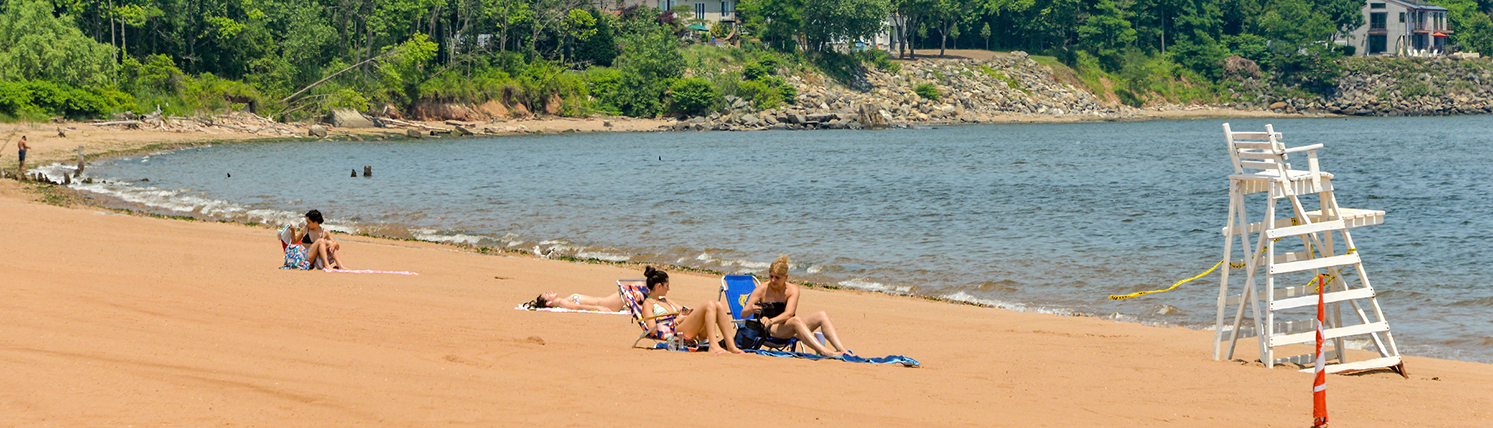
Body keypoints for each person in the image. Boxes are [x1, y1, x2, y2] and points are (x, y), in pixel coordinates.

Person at [741, 255, 852, 356]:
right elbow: (743, 314)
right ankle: (824, 351)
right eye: (771, 276)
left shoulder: (792, 290)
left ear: (786, 277)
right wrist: (751, 309)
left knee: (822, 315)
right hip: (769, 330)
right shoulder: (762, 290)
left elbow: (788, 313)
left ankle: (842, 350)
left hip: (787, 326)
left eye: (777, 278)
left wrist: (772, 320)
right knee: (796, 320)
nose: (773, 280)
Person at [640, 266, 743, 354]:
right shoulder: (648, 304)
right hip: (673, 331)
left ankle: (731, 346)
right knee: (709, 305)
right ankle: (713, 345)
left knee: (718, 305)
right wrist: (677, 321)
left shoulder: (665, 300)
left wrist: (691, 313)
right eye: (667, 286)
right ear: (659, 286)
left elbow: (682, 310)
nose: (668, 289)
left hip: (685, 326)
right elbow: (653, 329)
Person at [524, 291, 625, 312]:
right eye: (547, 294)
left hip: (607, 301)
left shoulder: (565, 299)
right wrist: (598, 308)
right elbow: (578, 307)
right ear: (548, 303)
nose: (549, 292)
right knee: (631, 288)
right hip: (607, 303)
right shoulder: (562, 302)